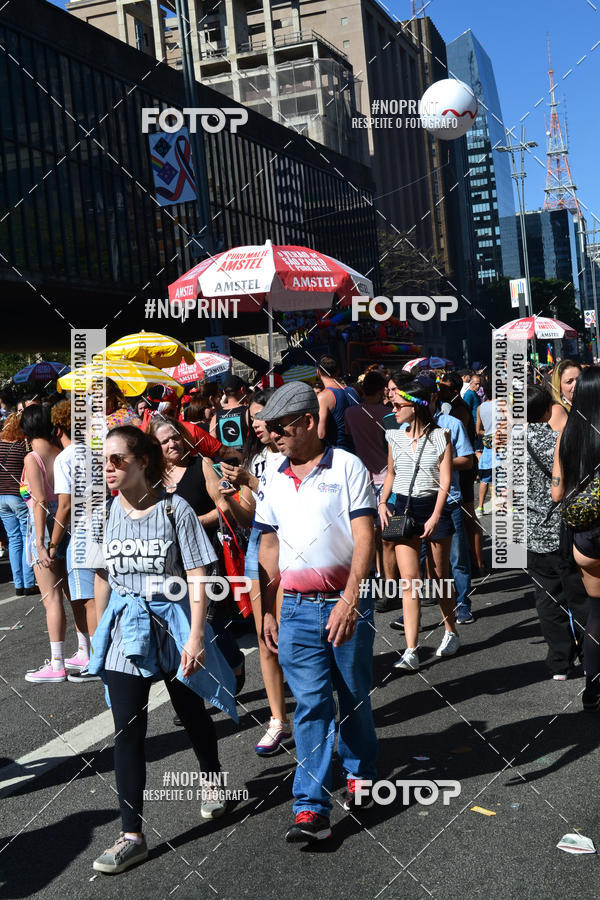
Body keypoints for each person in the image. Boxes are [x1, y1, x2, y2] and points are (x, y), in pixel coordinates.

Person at [88, 426, 237, 874]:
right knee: (127, 732)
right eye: (103, 460)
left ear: (142, 462)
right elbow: (102, 577)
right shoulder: (105, 514)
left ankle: (212, 780)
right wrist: (99, 635)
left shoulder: (175, 510)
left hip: (172, 624)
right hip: (125, 630)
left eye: (117, 459)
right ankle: (131, 837)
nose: (108, 468)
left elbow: (197, 574)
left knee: (191, 712)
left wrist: (196, 635)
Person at [256, 382, 378, 842]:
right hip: (295, 608)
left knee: (353, 696)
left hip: (345, 603)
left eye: (280, 427)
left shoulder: (346, 466)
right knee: (310, 705)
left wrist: (350, 599)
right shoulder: (273, 477)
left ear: (309, 421)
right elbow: (269, 547)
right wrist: (268, 609)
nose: (272, 435)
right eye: (268, 428)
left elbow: (365, 537)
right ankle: (310, 806)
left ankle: (360, 772)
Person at [146, 416, 245, 700]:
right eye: (164, 441)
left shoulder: (201, 465)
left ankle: (233, 660)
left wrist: (191, 523)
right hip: (170, 562)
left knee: (210, 621)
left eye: (175, 437)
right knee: (183, 621)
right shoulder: (152, 477)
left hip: (207, 556)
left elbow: (224, 508)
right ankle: (196, 695)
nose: (172, 444)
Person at [218, 389, 293, 757]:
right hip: (259, 548)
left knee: (294, 635)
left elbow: (290, 505)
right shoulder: (255, 457)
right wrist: (227, 500)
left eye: (262, 416)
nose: (257, 423)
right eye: (252, 417)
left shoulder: (295, 454)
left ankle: (314, 711)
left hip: (293, 547)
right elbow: (251, 517)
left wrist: (250, 482)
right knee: (266, 636)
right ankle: (278, 719)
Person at [379, 378, 458, 671]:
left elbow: (445, 480)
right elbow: (391, 473)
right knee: (409, 580)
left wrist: (436, 515)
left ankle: (451, 630)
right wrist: (382, 501)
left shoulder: (441, 436)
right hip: (404, 507)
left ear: (415, 407)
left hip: (433, 507)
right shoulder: (393, 436)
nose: (393, 409)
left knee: (439, 577)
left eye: (398, 405)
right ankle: (411, 649)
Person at [527, 386, 588, 679]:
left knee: (547, 599)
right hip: (562, 529)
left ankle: (560, 662)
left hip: (531, 531)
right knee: (579, 597)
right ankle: (590, 656)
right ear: (547, 411)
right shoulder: (559, 440)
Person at [48, 400, 101, 683]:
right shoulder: (96, 451)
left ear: (58, 430)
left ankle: (97, 661)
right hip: (105, 525)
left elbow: (65, 506)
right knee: (104, 595)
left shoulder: (64, 458)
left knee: (88, 600)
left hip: (82, 532)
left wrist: (52, 543)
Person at [20, 404, 70, 683]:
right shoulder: (60, 452)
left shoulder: (32, 457)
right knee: (72, 595)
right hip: (65, 524)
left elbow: (39, 501)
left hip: (44, 527)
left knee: (51, 598)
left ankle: (57, 663)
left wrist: (40, 543)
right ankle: (86, 651)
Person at [0, 413, 37, 596]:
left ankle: (18, 583)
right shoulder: (23, 446)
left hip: (1, 498)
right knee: (25, 537)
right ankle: (29, 583)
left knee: (13, 539)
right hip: (18, 496)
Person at [317, 355, 359, 451]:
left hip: (337, 452)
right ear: (338, 371)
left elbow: (321, 434)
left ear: (318, 372)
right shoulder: (353, 391)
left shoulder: (324, 396)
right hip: (356, 450)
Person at [210, 375, 249, 450]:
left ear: (224, 392)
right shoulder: (247, 412)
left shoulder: (215, 418)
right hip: (246, 456)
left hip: (225, 457)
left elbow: (212, 445)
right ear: (242, 389)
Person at [548, 360, 581, 431]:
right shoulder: (557, 411)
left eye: (579, 379)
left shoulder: (587, 403)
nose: (576, 384)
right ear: (558, 386)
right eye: (569, 381)